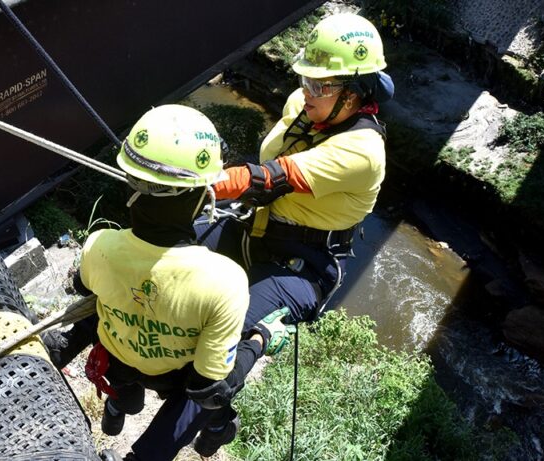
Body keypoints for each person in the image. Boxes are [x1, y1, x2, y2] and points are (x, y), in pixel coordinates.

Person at [192, 12, 394, 456]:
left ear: (356, 93)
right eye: (305, 78)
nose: (307, 91)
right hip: (256, 230)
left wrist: (203, 183)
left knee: (221, 341)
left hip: (302, 261)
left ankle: (210, 418)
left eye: (321, 85)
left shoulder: (362, 151)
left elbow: (272, 178)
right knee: (170, 251)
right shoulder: (305, 107)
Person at [43, 104, 282, 461]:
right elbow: (207, 383)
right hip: (173, 376)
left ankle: (117, 408)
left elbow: (84, 287)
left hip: (119, 359)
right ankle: (208, 429)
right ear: (203, 193)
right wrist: (259, 341)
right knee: (222, 381)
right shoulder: (225, 281)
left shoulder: (100, 246)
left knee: (126, 392)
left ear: (130, 183)